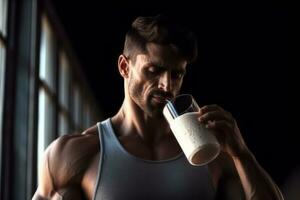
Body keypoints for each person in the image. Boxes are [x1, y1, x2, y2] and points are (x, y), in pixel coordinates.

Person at [33, 15, 284, 200]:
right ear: (124, 67)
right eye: (154, 70)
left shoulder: (212, 154)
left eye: (176, 75)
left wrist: (242, 154)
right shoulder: (76, 154)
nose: (166, 85)